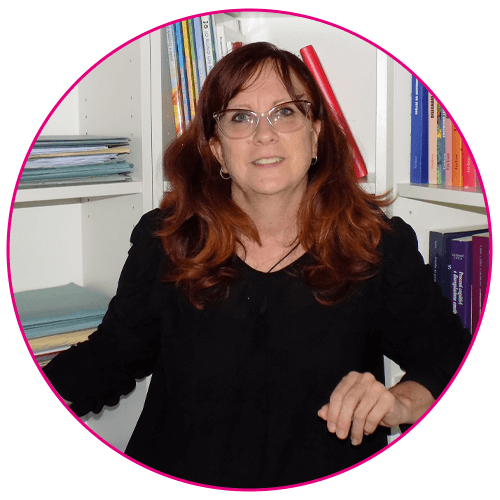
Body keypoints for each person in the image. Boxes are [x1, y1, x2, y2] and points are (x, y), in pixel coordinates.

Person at [43, 42, 470, 488]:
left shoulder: (377, 245)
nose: (264, 134)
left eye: (285, 112)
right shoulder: (167, 240)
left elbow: (448, 357)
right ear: (216, 149)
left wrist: (399, 403)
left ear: (316, 135)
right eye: (240, 117)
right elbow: (110, 358)